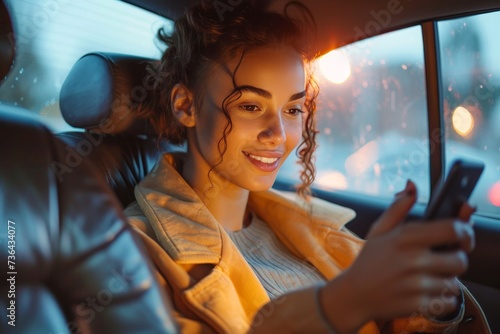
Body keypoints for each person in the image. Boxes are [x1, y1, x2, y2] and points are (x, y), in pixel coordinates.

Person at [124, 0, 491, 332]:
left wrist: (431, 303)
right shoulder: (134, 250)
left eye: (293, 109)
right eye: (250, 106)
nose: (278, 134)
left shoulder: (305, 227)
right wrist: (342, 300)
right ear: (186, 106)